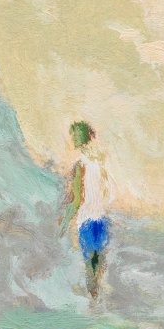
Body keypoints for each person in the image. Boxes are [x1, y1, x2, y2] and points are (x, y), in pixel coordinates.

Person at [61, 120, 112, 301]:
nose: (73, 138)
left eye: (74, 135)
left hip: (86, 220)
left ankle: (93, 301)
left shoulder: (79, 165)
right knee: (98, 260)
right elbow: (106, 192)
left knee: (89, 263)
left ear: (81, 136)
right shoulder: (100, 162)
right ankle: (97, 299)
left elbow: (76, 199)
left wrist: (65, 222)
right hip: (102, 218)